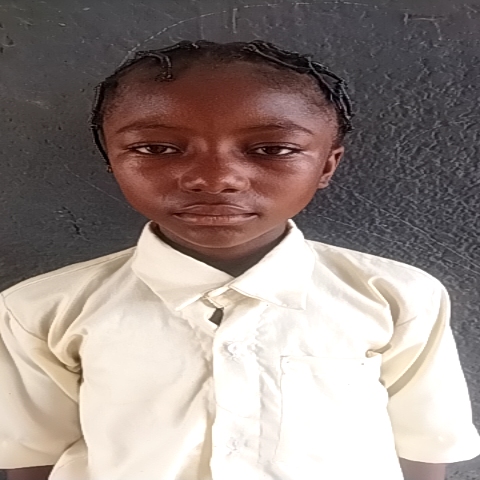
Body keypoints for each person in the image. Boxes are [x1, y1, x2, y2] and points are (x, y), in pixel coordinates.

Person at [1, 39, 479, 480]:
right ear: (112, 159)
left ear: (327, 164)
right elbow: (29, 456)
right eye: (157, 148)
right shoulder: (42, 311)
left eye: (273, 149)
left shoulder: (397, 297)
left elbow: (424, 447)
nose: (215, 179)